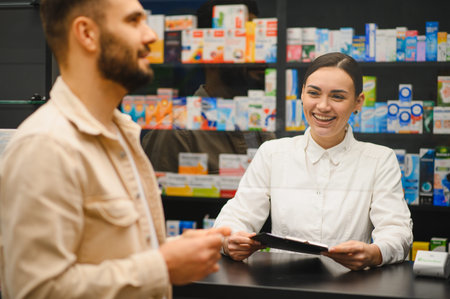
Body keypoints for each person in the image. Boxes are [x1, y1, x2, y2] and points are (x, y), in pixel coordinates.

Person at [0, 0, 231, 298]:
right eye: (134, 21)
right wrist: (162, 266)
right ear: (87, 33)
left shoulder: (122, 133)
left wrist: (177, 252)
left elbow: (106, 255)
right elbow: (36, 289)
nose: (150, 35)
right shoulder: (46, 146)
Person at [214, 52, 413, 271]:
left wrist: (374, 253)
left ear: (358, 102)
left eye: (337, 97)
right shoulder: (273, 153)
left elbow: (398, 233)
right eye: (313, 93)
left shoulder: (379, 160)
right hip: (282, 285)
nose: (323, 106)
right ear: (301, 95)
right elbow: (236, 216)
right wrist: (230, 240)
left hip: (351, 286)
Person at [142, 0, 275, 175]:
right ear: (210, 52)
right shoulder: (178, 134)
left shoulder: (263, 124)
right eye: (245, 40)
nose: (259, 52)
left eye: (260, 40)